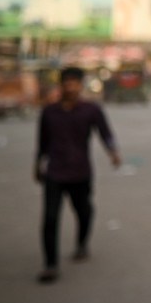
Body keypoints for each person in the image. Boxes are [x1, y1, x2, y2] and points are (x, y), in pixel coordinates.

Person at [34, 66, 121, 283]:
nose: (70, 86)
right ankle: (50, 265)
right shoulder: (49, 112)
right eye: (67, 81)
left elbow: (105, 132)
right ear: (61, 84)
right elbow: (42, 142)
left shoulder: (91, 110)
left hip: (80, 171)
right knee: (50, 218)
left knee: (83, 211)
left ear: (80, 85)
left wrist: (113, 152)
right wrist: (37, 164)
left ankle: (82, 243)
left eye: (75, 82)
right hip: (55, 171)